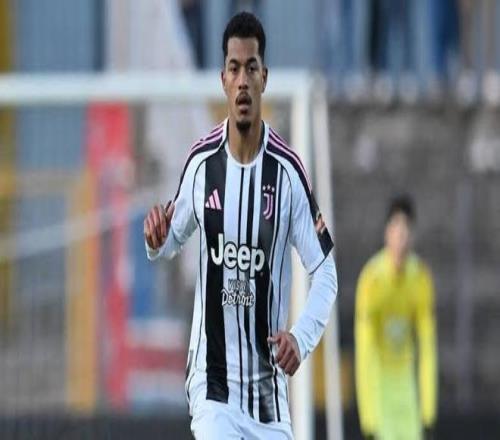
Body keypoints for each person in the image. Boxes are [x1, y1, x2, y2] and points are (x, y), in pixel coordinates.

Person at [143, 11, 338, 440]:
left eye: (251, 68)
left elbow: (325, 272)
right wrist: (156, 241)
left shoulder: (287, 174)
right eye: (234, 69)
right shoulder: (202, 164)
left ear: (264, 78)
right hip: (213, 387)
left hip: (269, 398)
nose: (243, 80)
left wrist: (300, 338)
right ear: (223, 80)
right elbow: (172, 238)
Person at [355, 195, 437, 440]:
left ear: (413, 236)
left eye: (406, 230)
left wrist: (428, 411)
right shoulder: (372, 281)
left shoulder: (420, 279)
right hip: (380, 391)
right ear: (387, 233)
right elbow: (364, 351)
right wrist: (368, 418)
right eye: (396, 228)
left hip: (408, 393)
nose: (401, 237)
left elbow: (427, 348)